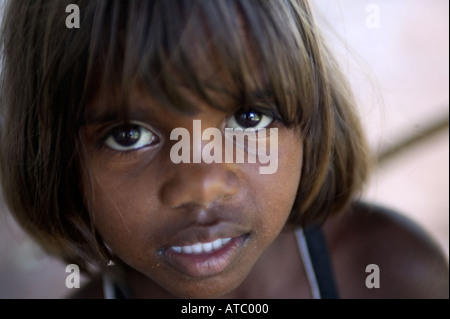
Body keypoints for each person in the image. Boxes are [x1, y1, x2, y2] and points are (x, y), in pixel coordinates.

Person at [0, 0, 448, 299]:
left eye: (249, 118)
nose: (202, 185)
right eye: (129, 135)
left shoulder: (390, 273)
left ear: (310, 121)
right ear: (56, 159)